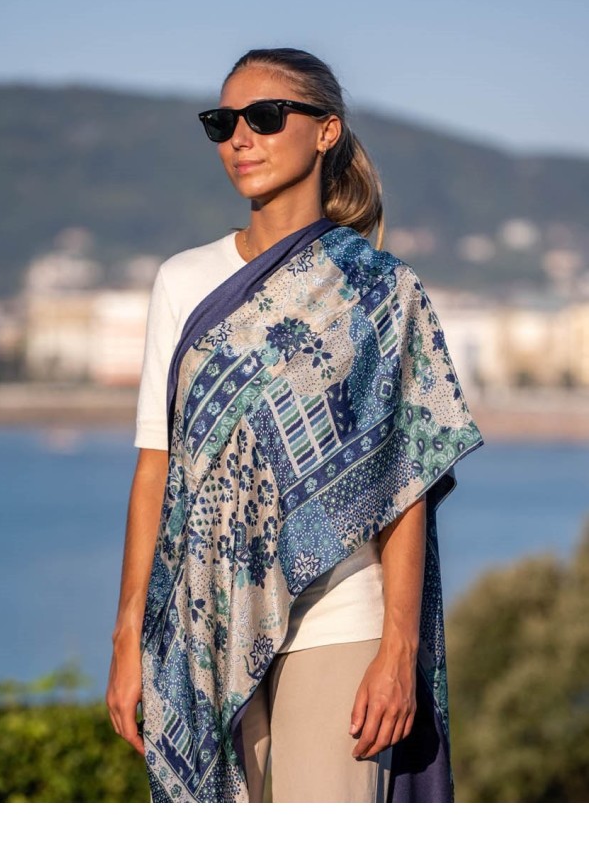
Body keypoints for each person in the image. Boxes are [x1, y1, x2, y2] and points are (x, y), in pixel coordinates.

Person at [106, 47, 484, 803]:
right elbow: (158, 467)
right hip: (205, 631)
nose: (240, 138)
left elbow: (406, 484)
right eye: (222, 123)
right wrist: (129, 635)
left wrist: (397, 651)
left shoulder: (381, 291)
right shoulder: (182, 280)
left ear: (325, 130)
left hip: (341, 620)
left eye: (265, 116)